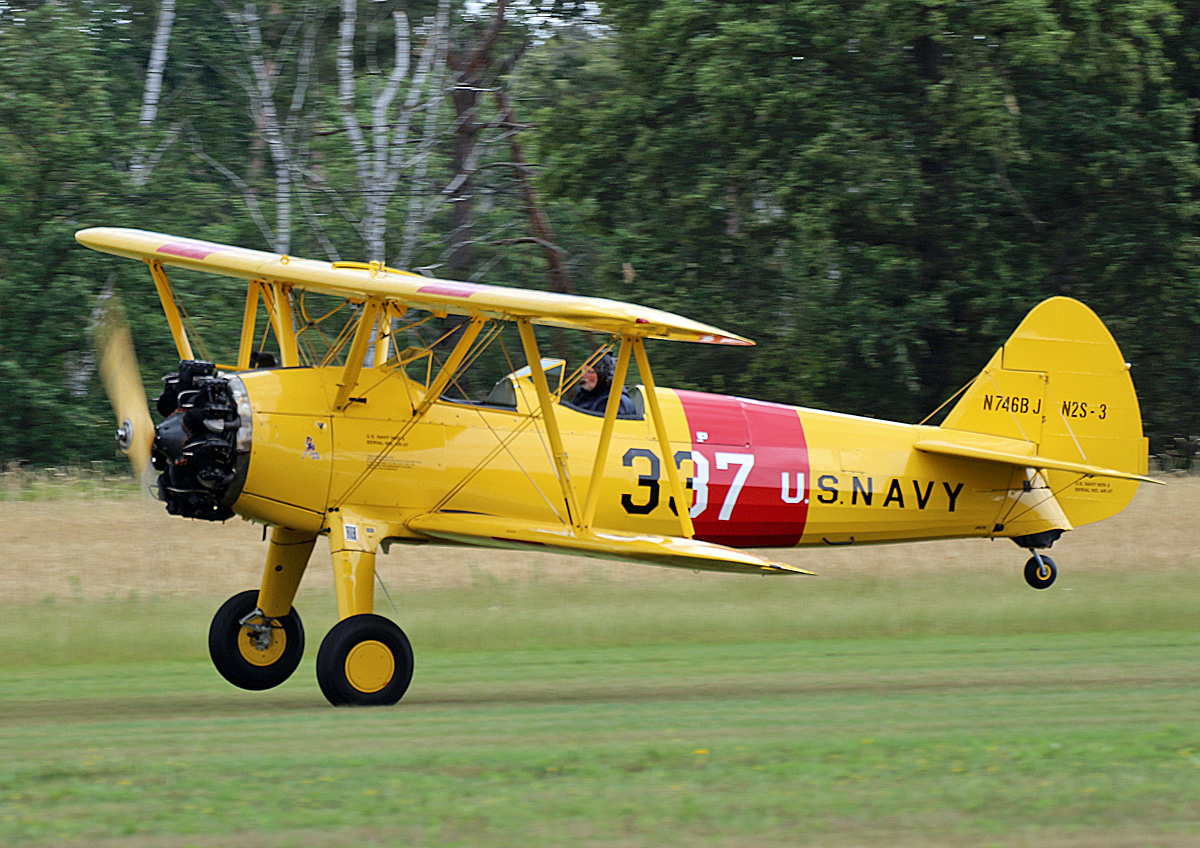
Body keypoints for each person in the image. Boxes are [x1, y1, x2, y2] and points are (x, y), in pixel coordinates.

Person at [568, 353, 638, 417]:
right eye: (583, 370)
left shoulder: (616, 403)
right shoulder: (583, 396)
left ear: (603, 376)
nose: (583, 375)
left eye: (589, 371)